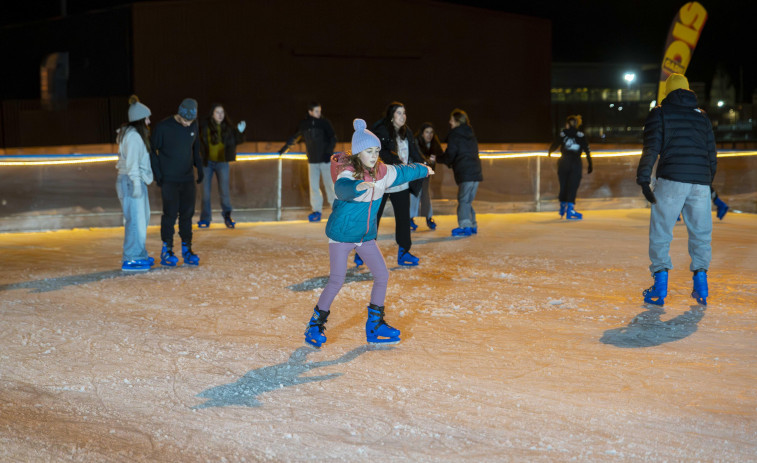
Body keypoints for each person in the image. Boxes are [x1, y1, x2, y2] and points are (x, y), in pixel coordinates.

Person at [303, 119, 433, 348]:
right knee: (336, 280)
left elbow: (402, 172)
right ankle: (315, 325)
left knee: (382, 275)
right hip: (342, 235)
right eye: (368, 151)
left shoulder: (382, 172)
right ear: (357, 153)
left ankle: (375, 325)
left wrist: (423, 169)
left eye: (375, 151)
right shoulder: (348, 173)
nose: (373, 155)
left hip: (365, 237)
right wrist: (357, 187)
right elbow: (341, 189)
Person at [636, 73, 717, 307]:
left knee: (662, 231)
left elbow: (651, 148)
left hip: (672, 178)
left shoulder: (660, 113)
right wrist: (706, 180)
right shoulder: (702, 116)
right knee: (701, 234)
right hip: (700, 182)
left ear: (667, 92)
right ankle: (701, 283)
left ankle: (659, 287)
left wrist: (643, 179)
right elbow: (712, 155)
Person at [150, 98, 204, 267]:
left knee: (187, 215)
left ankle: (187, 249)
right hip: (169, 179)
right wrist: (158, 174)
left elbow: (195, 149)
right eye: (185, 120)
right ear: (179, 114)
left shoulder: (194, 125)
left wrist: (200, 168)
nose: (188, 124)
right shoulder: (163, 127)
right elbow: (152, 151)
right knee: (170, 215)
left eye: (191, 121)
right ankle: (167, 250)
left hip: (187, 178)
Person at [371, 102, 426, 266]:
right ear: (391, 115)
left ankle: (404, 252)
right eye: (399, 113)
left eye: (404, 113)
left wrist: (422, 164)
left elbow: (414, 152)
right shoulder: (381, 130)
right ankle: (364, 251)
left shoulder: (406, 132)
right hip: (383, 181)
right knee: (374, 217)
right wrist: (397, 162)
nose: (403, 116)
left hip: (401, 182)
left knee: (403, 218)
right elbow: (380, 151)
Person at [278, 102, 337, 222]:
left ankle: (336, 210)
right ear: (310, 112)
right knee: (314, 187)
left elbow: (333, 138)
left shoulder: (324, 123)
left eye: (320, 111)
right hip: (312, 161)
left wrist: (328, 152)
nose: (319, 113)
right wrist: (284, 149)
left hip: (325, 160)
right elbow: (295, 137)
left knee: (329, 185)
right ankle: (316, 211)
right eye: (316, 111)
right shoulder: (304, 124)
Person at [116, 95, 154, 272]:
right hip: (132, 182)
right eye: (146, 117)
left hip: (135, 181)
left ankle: (139, 253)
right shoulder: (133, 137)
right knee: (135, 221)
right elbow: (132, 163)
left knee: (142, 219)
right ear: (139, 119)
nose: (149, 120)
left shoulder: (135, 135)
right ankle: (132, 257)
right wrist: (137, 184)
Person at [198, 104, 246, 229]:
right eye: (217, 112)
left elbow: (238, 140)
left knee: (224, 192)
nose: (220, 115)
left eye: (222, 112)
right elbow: (197, 141)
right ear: (212, 114)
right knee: (205, 193)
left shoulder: (228, 128)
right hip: (206, 163)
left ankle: (227, 217)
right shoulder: (204, 126)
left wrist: (239, 132)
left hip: (222, 163)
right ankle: (205, 218)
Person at [437, 108, 483, 237]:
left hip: (465, 173)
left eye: (451, 120)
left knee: (463, 200)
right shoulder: (470, 133)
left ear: (457, 121)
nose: (449, 122)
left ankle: (465, 226)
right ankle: (472, 225)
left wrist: (437, 158)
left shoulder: (455, 134)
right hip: (476, 172)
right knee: (467, 201)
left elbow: (450, 155)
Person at [548, 114, 593, 220]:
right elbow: (587, 149)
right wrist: (590, 164)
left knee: (563, 184)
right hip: (575, 163)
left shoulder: (563, 133)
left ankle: (562, 207)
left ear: (568, 124)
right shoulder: (581, 135)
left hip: (563, 162)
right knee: (573, 185)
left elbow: (555, 144)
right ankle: (570, 210)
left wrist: (550, 151)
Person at [412, 122, 442, 230]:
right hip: (415, 173)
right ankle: (410, 219)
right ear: (422, 133)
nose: (429, 135)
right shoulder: (416, 142)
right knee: (414, 195)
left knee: (425, 195)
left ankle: (428, 218)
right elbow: (416, 157)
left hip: (426, 174)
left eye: (431, 132)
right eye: (427, 132)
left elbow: (441, 155)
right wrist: (428, 161)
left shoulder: (433, 144)